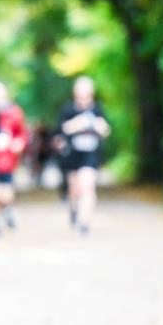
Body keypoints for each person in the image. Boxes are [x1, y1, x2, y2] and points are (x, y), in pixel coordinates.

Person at [55, 76, 110, 234]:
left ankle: (85, 222)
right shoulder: (68, 109)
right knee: (75, 188)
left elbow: (106, 129)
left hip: (91, 155)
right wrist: (77, 124)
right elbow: (60, 130)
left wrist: (98, 126)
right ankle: (73, 208)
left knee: (88, 186)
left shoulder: (97, 109)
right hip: (72, 155)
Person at [0, 80, 28, 234]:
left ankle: (8, 209)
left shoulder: (13, 112)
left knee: (5, 191)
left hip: (7, 160)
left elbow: (21, 134)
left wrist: (19, 143)